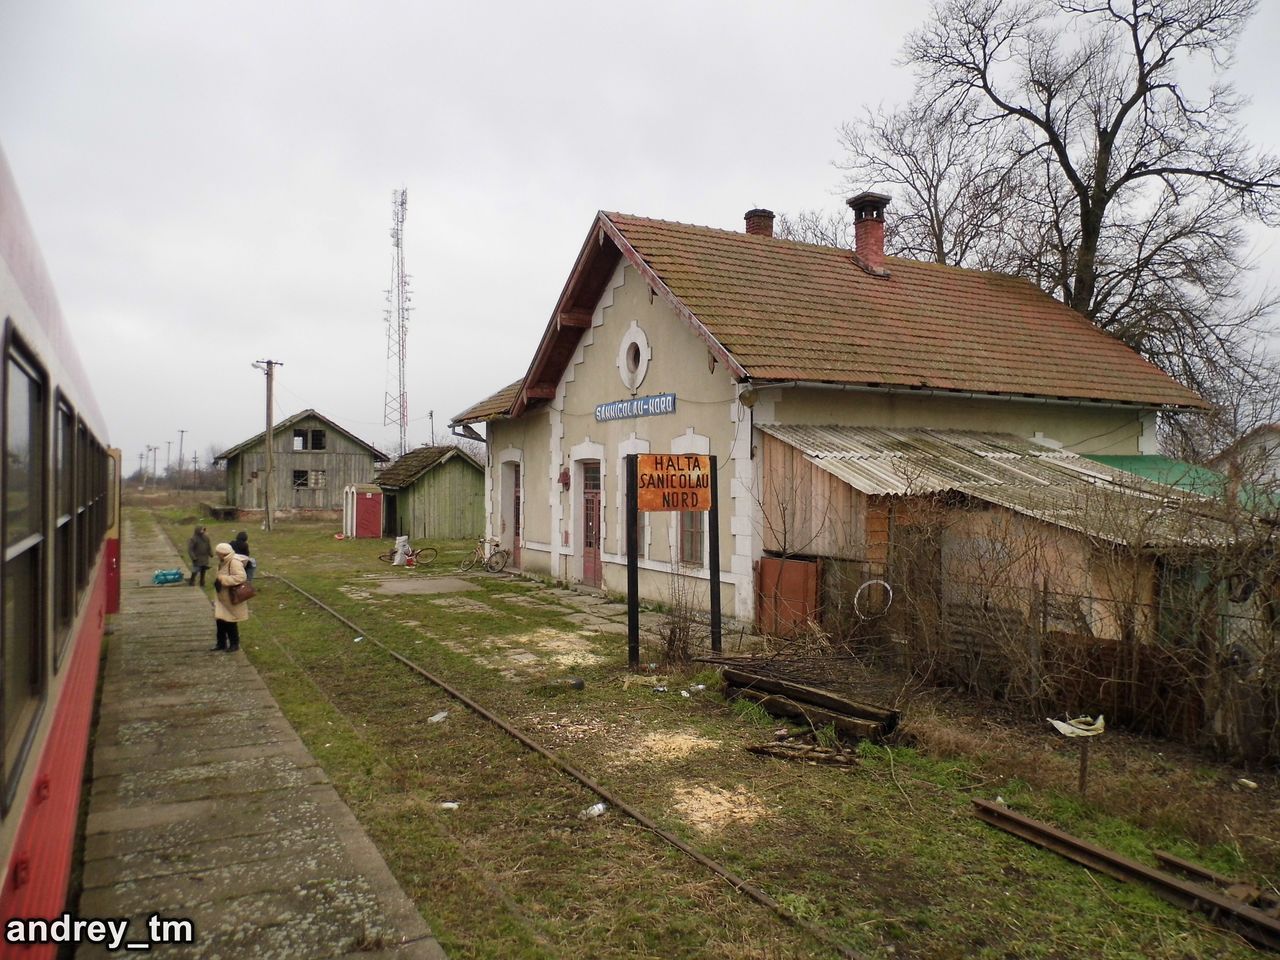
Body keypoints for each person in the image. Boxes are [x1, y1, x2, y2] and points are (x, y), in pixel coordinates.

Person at [211, 542, 249, 652]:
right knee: (220, 621)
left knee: (230, 622)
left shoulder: (234, 562)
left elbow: (241, 577)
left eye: (218, 553)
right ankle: (221, 643)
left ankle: (234, 644)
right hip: (222, 597)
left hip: (230, 597)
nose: (217, 555)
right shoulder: (223, 561)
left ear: (222, 553)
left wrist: (223, 579)